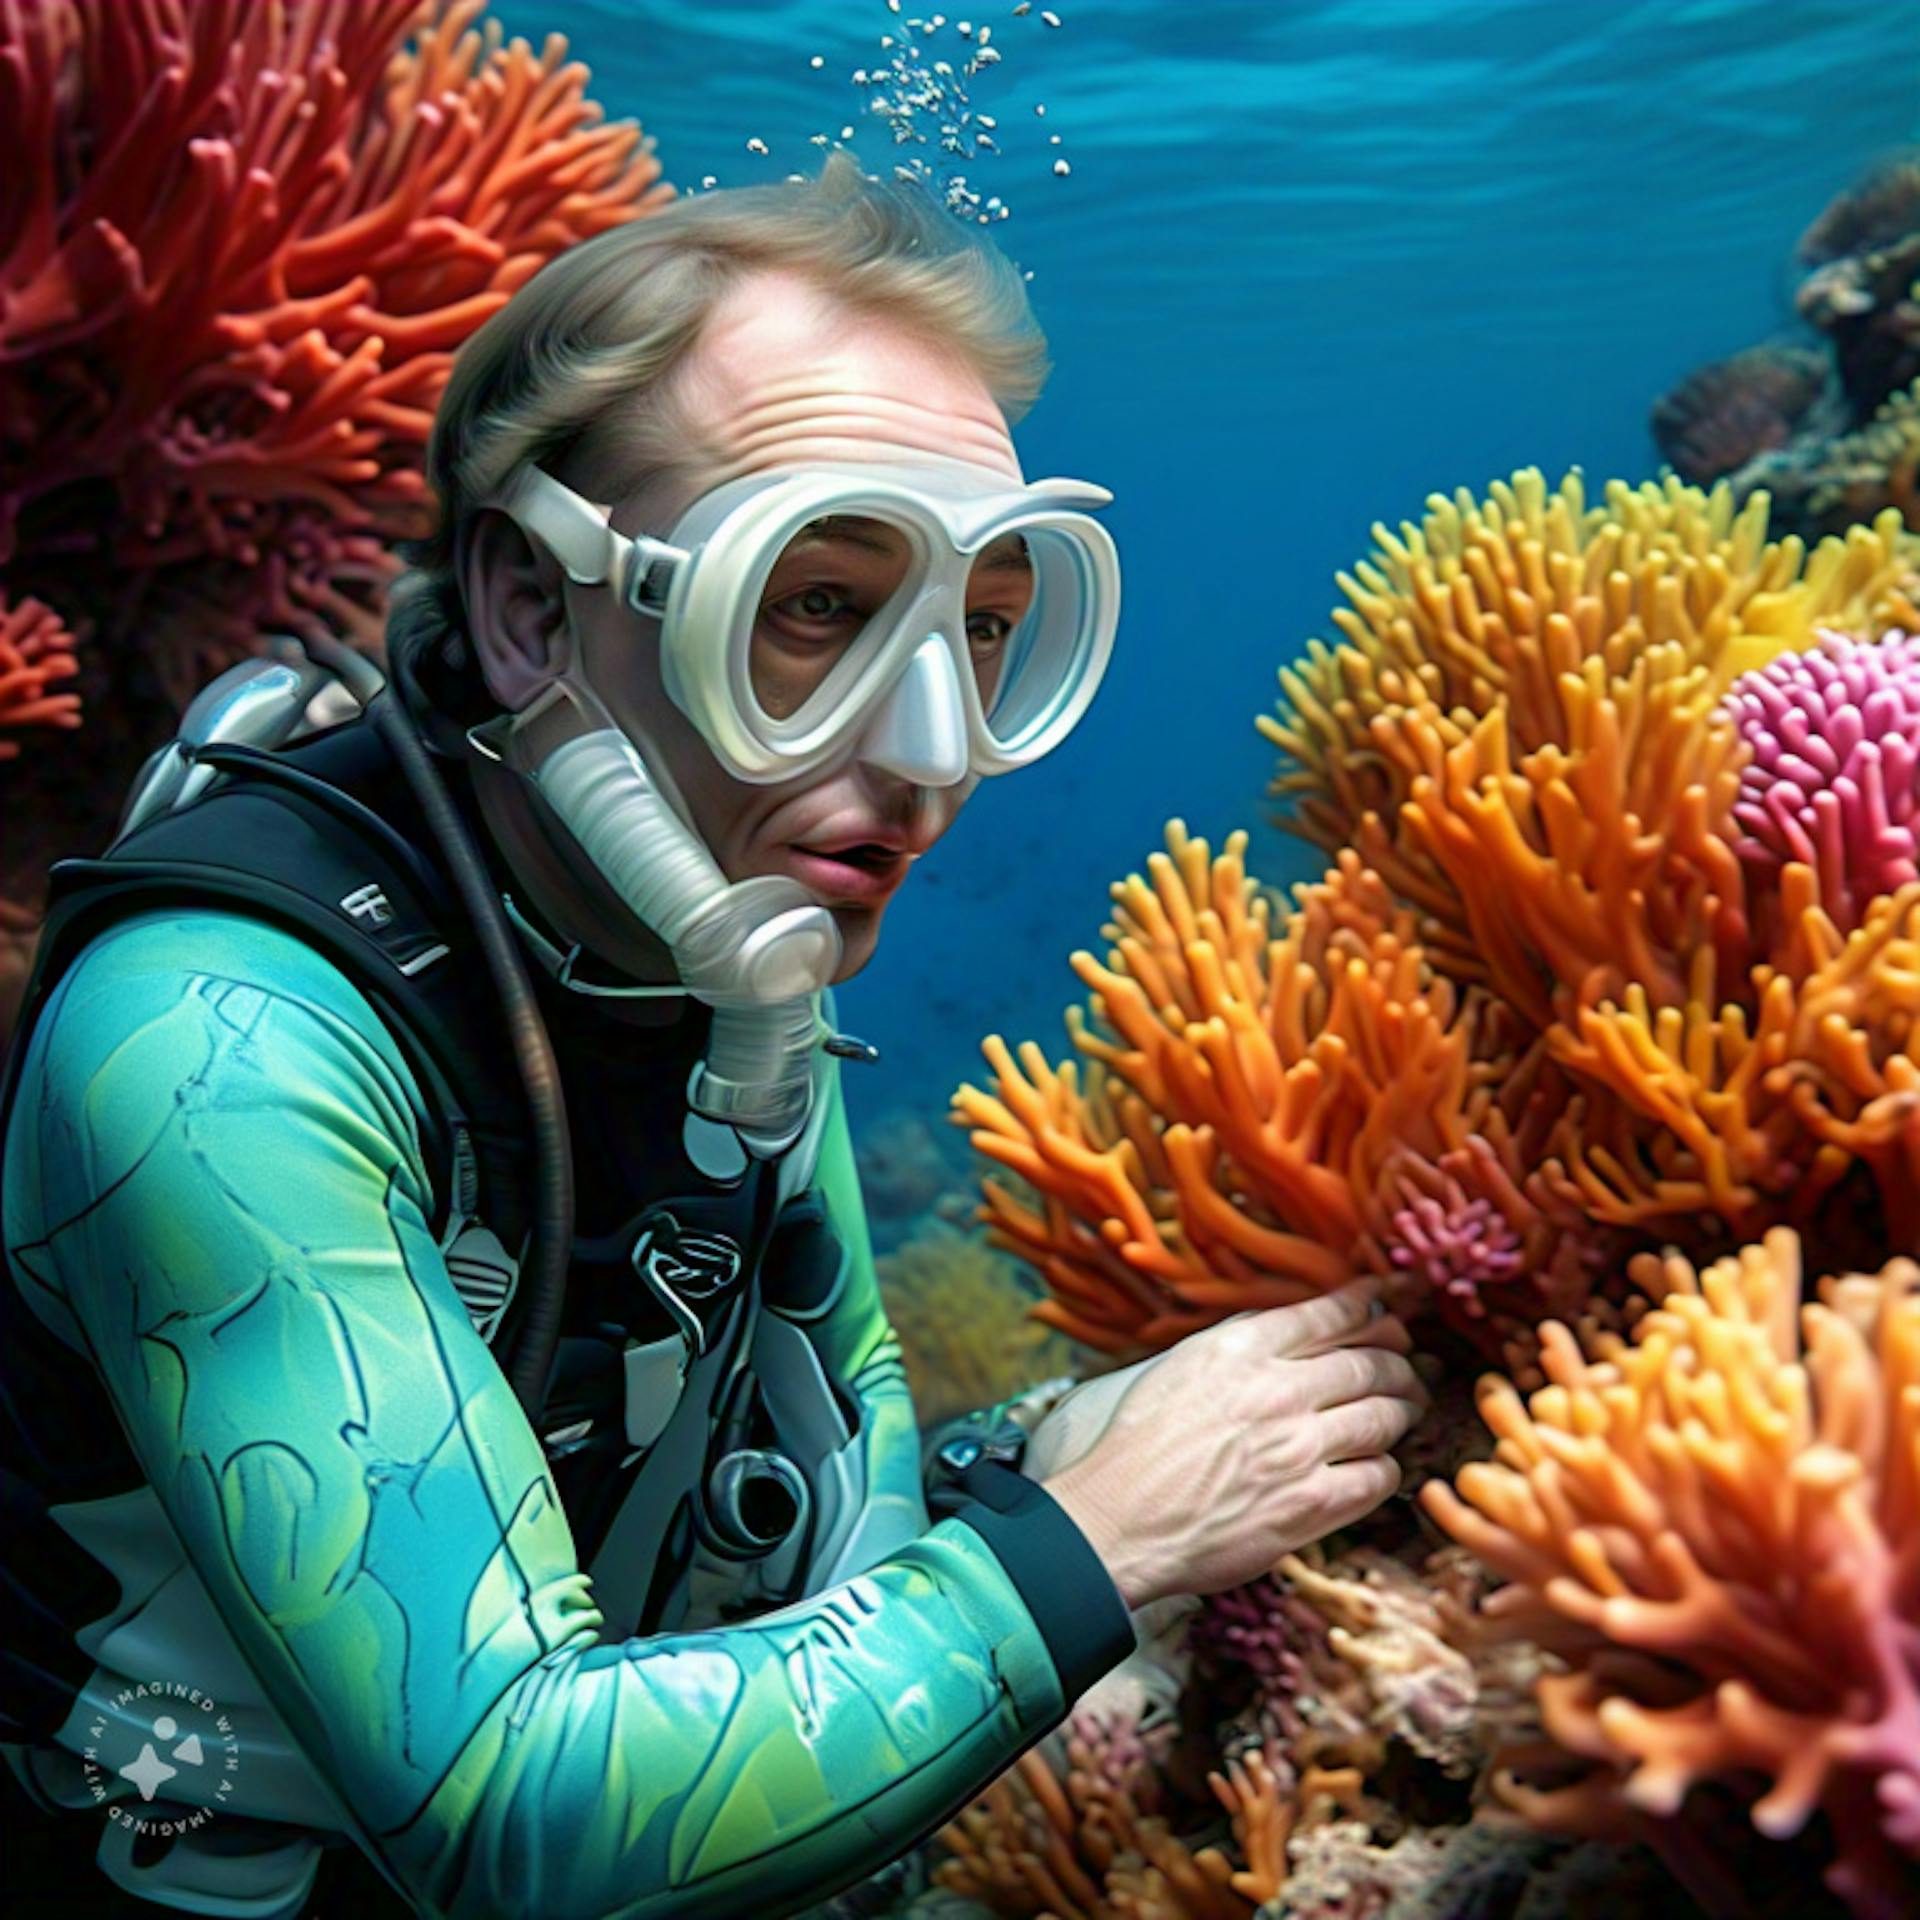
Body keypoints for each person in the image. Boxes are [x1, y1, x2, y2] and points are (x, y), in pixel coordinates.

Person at [0, 156, 1427, 1920]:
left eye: (985, 632)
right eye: (815, 608)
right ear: (535, 609)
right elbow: (506, 1813)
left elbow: (835, 1490)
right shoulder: (217, 1044)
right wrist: (1102, 1540)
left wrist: (1051, 1453)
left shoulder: (716, 947)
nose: (931, 754)